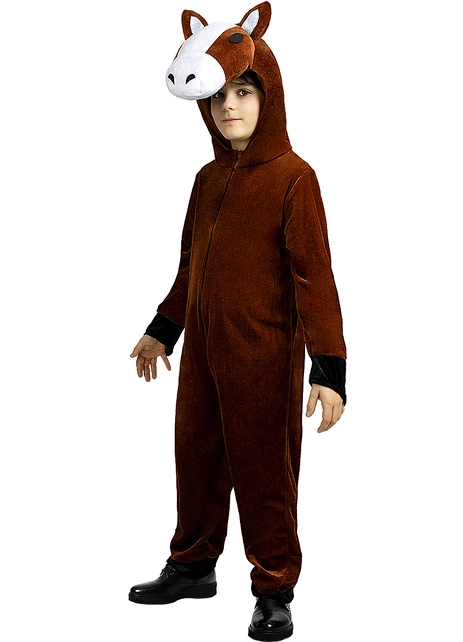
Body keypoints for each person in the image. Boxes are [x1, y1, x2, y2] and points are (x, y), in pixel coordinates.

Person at [128, 4, 346, 640]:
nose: (229, 106)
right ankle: (193, 564)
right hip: (202, 354)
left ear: (267, 95)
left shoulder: (294, 179)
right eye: (219, 95)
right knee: (195, 456)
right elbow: (189, 266)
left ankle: (274, 587)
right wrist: (162, 329)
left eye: (243, 92)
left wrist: (329, 369)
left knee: (263, 470)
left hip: (264, 355)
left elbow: (315, 277)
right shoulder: (206, 179)